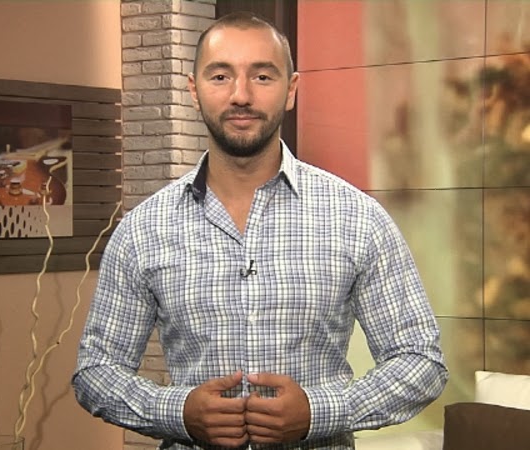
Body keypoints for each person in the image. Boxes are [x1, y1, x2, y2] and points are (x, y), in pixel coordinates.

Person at [72, 11, 448, 450]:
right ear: (193, 90)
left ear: (291, 90)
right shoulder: (143, 229)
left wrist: (318, 411)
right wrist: (178, 412)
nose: (241, 95)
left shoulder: (357, 218)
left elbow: (420, 361)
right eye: (220, 76)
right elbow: (96, 371)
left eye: (262, 76)